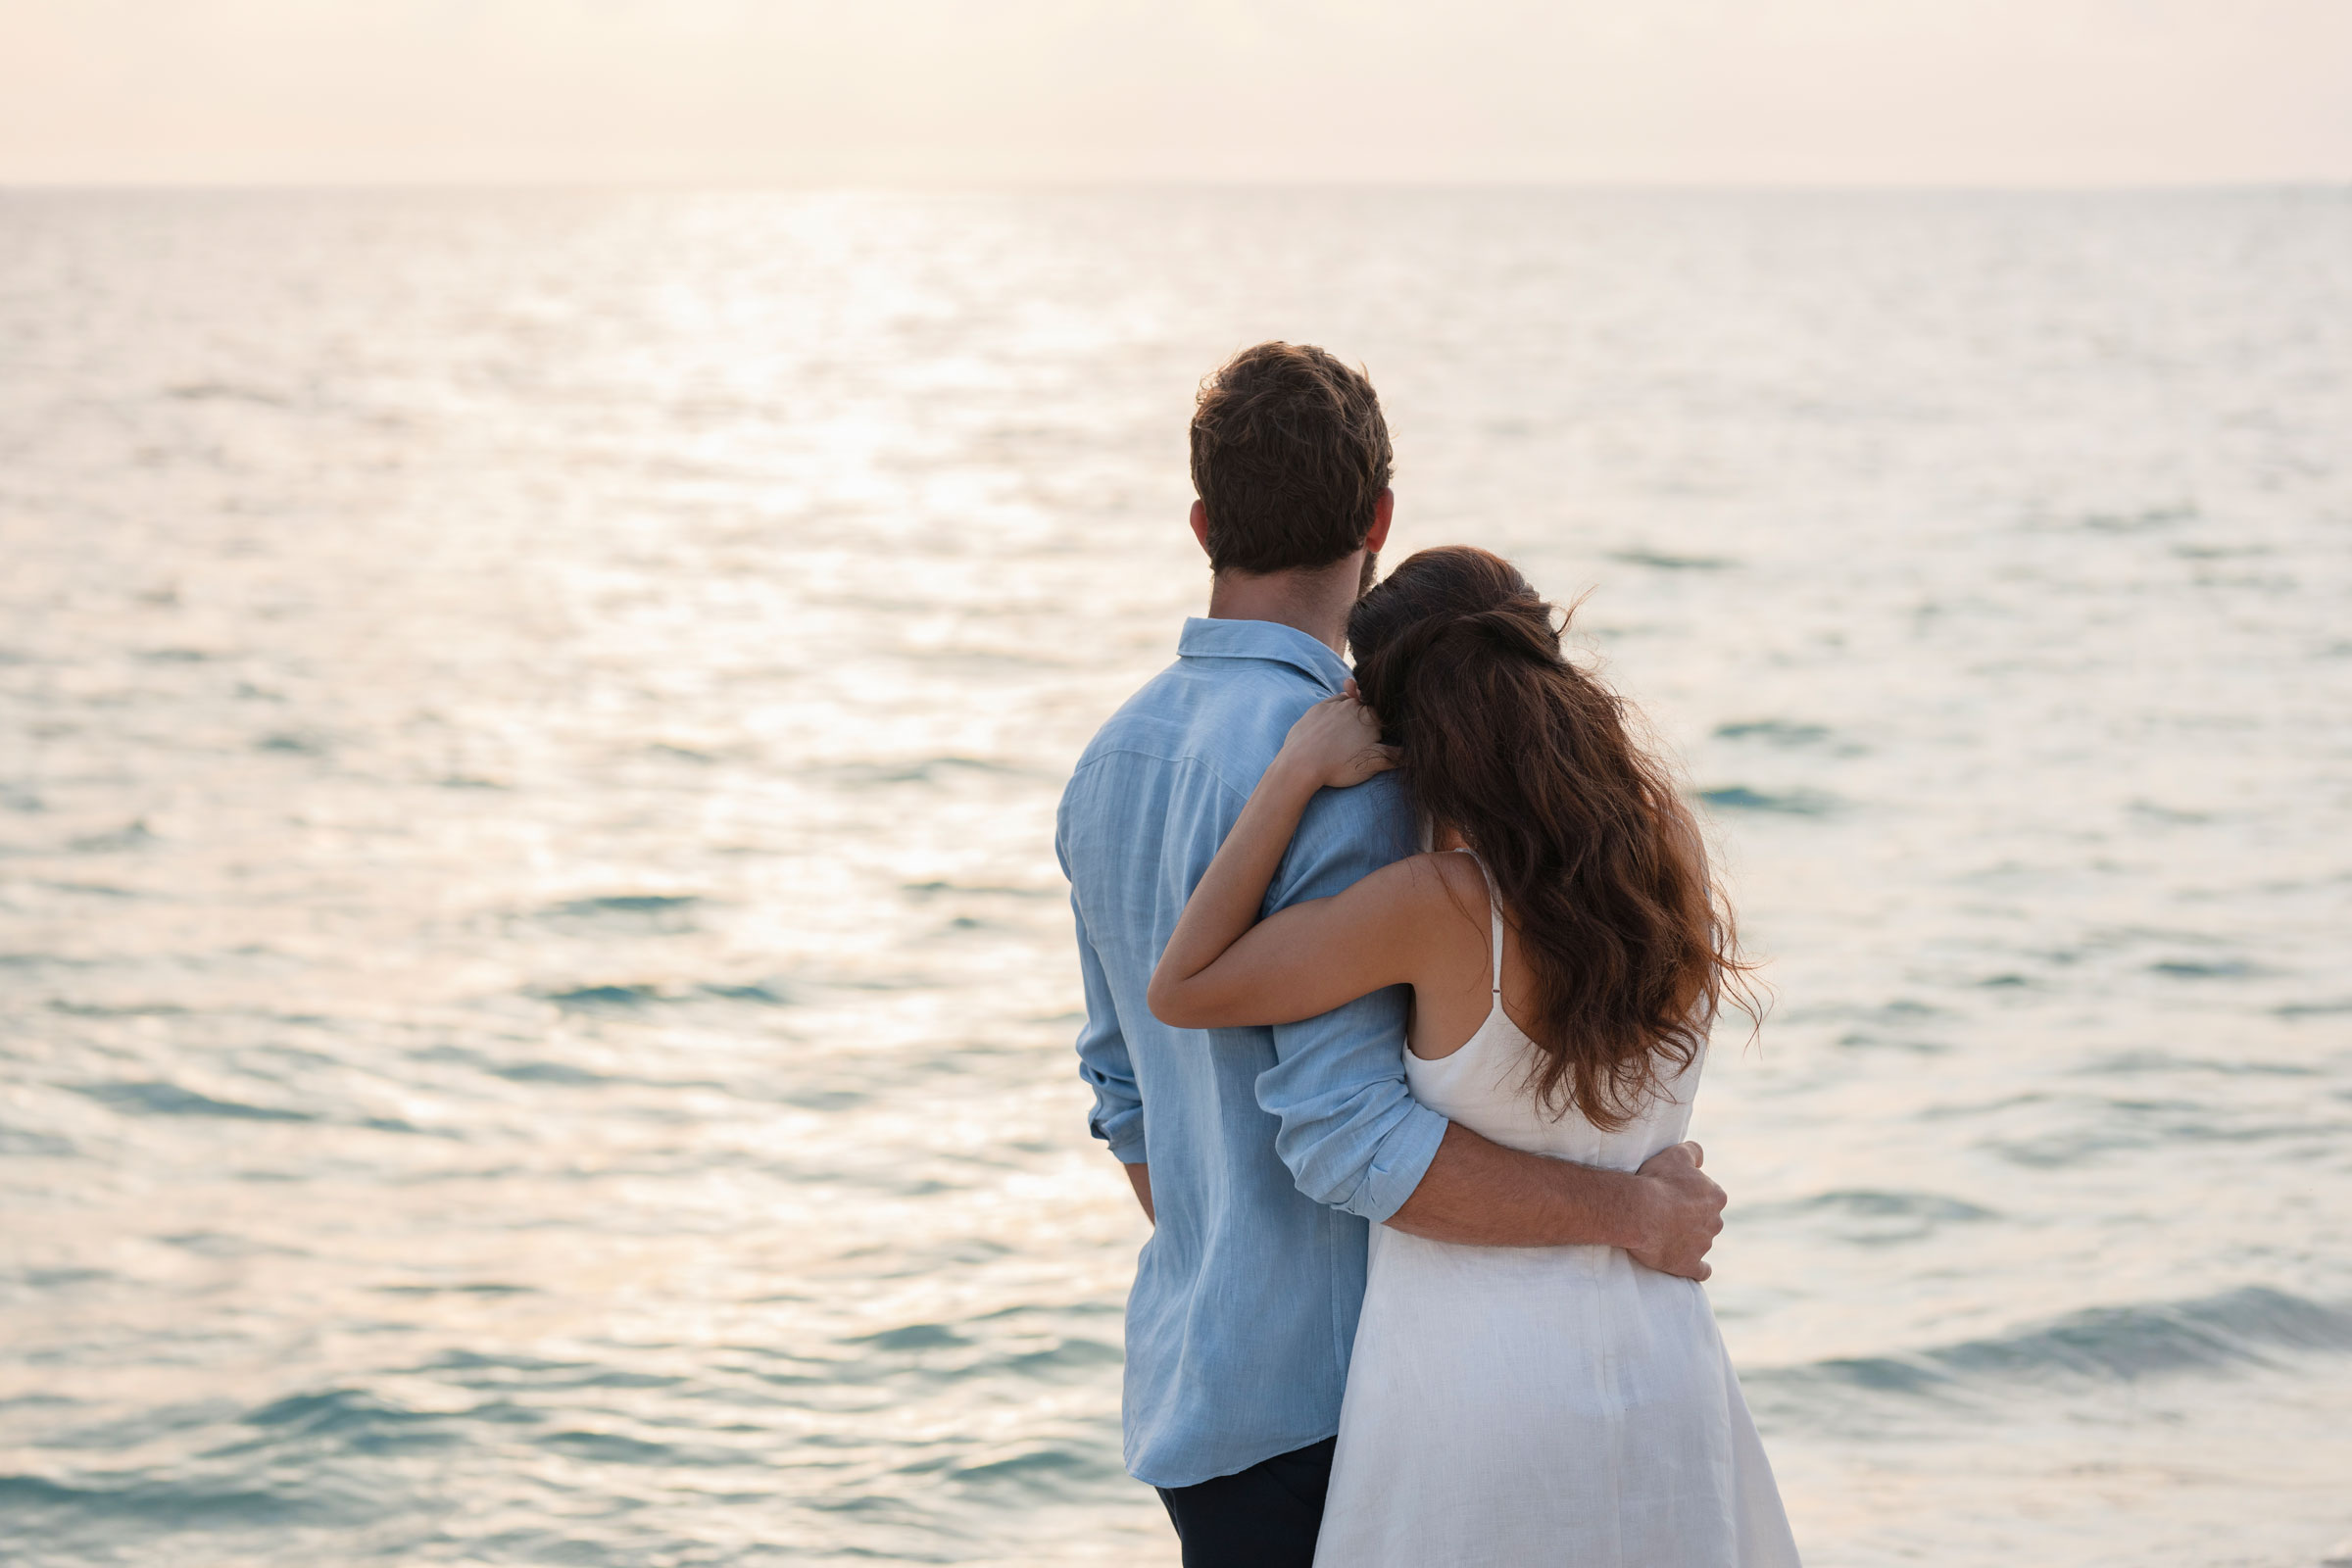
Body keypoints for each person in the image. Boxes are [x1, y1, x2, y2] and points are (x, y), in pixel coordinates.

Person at [1054, 342, 1731, 1568]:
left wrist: (1227, 1251)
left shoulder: (1111, 762)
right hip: (1351, 1404)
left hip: (1200, 1394)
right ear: (1378, 517)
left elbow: (1123, 1091)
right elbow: (1354, 1141)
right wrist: (1634, 1209)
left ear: (1203, 520)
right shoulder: (1375, 778)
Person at [1148, 544, 1801, 1566]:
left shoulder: (1439, 907)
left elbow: (1185, 985)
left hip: (1471, 1385)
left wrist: (1296, 771)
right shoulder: (1667, 843)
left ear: (1400, 725)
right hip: (1664, 1359)